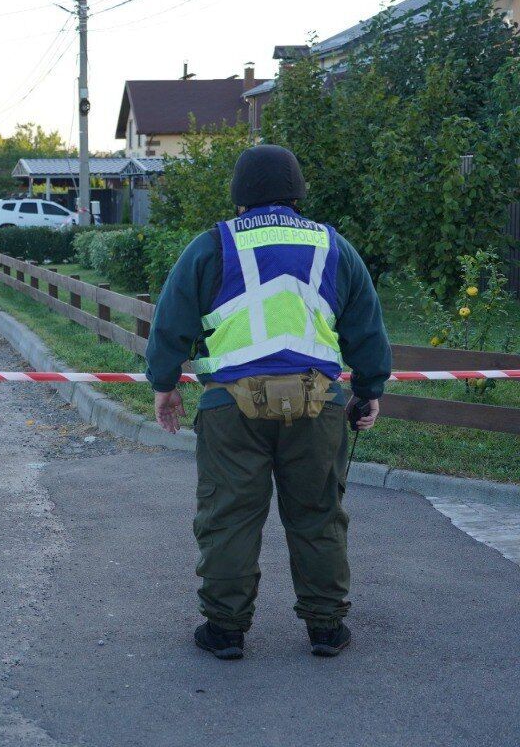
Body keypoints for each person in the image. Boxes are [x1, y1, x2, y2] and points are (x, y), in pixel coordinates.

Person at [145, 144, 390, 661]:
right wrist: (368, 391)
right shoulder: (334, 247)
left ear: (239, 196)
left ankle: (226, 630)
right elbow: (367, 328)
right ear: (297, 193)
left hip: (230, 408)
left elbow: (172, 320)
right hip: (317, 405)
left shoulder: (212, 245)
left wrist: (164, 383)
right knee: (318, 515)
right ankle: (326, 628)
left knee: (230, 516)